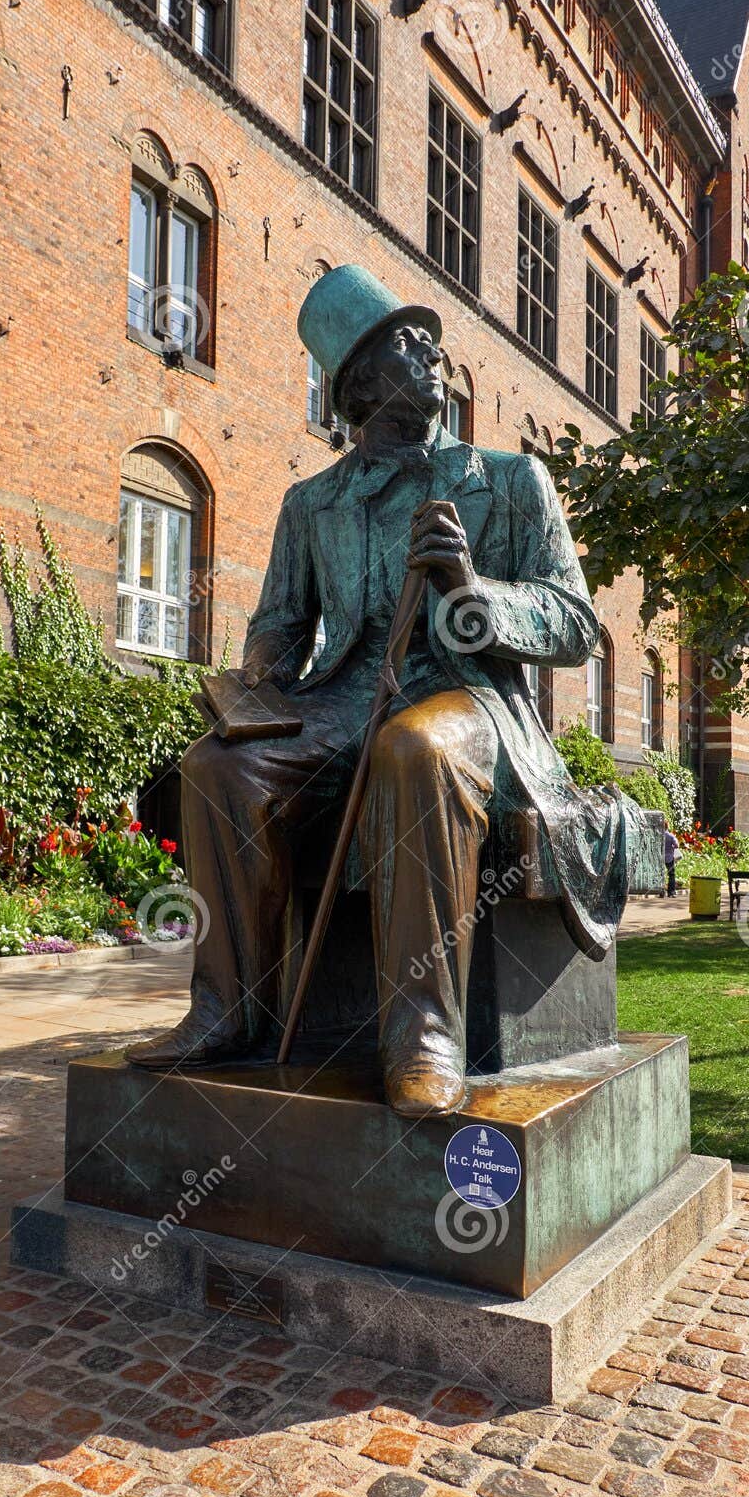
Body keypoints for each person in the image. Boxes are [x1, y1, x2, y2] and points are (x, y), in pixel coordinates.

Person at [129, 265, 634, 1116]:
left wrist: (473, 596)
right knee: (218, 769)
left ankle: (422, 1036)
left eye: (428, 341)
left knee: (416, 750)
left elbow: (573, 622)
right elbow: (282, 625)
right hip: (340, 704)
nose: (432, 352)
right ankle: (229, 1014)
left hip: (469, 701)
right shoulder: (313, 502)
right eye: (407, 343)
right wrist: (254, 685)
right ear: (358, 384)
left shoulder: (509, 483)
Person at [664, 829, 681, 897]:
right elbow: (676, 845)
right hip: (669, 858)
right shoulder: (671, 836)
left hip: (660, 857)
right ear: (667, 827)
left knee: (660, 874)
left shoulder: (659, 835)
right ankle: (671, 892)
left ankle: (660, 891)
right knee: (671, 874)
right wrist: (672, 847)